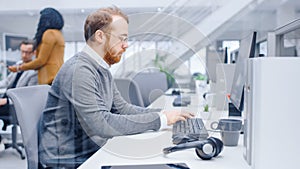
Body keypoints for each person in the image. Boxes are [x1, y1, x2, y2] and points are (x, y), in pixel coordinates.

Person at [38, 6, 194, 168]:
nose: (126, 45)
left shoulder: (101, 68)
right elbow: (102, 124)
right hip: (68, 160)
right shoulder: (79, 70)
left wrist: (165, 115)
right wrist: (160, 120)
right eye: (122, 38)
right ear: (100, 36)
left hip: (91, 150)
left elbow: (122, 108)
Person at [8, 7, 65, 85]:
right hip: (57, 76)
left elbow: (41, 60)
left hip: (49, 78)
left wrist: (19, 68)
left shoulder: (49, 34)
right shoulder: (58, 34)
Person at [0, 40, 38, 150]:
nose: (24, 55)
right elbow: (6, 82)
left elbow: (27, 96)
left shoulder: (35, 71)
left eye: (27, 52)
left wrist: (6, 101)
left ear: (34, 53)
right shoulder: (18, 65)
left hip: (16, 106)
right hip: (6, 100)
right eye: (22, 52)